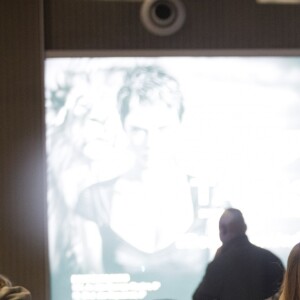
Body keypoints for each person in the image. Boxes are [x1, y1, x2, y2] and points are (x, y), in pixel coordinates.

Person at [193, 208, 284, 300]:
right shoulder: (272, 260)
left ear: (223, 230)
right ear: (245, 227)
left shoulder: (218, 266)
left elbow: (199, 297)